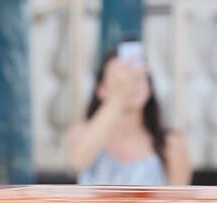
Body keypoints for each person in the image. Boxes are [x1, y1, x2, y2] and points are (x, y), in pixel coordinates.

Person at [67, 48, 191, 185]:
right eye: (118, 79)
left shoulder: (171, 143)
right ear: (101, 90)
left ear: (149, 89)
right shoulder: (82, 132)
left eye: (138, 78)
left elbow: (178, 202)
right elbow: (78, 162)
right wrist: (120, 95)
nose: (130, 84)